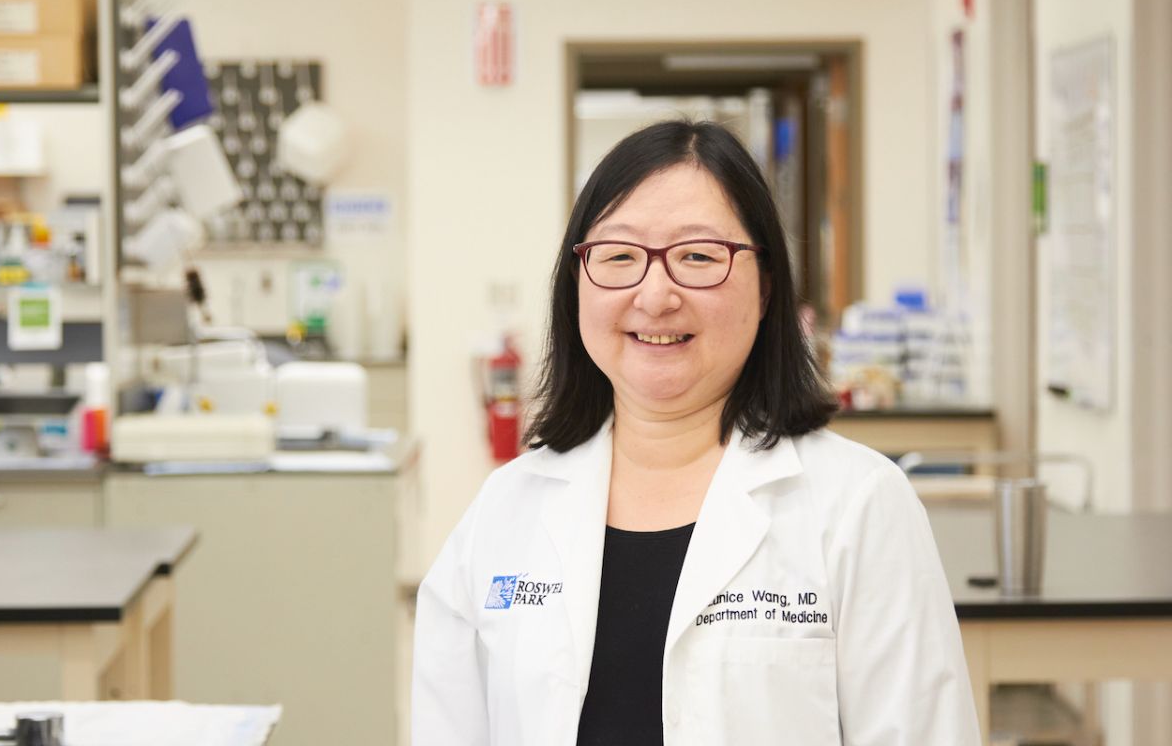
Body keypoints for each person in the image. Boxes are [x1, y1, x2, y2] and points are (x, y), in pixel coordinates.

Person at [412, 120, 981, 745]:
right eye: (619, 257)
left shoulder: (858, 504)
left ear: (766, 287)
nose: (655, 295)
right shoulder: (504, 510)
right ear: (576, 285)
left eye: (698, 257)